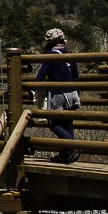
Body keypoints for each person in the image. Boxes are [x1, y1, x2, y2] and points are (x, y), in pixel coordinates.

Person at [35, 28, 80, 163]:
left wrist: (35, 86)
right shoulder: (68, 54)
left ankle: (73, 146)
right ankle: (65, 155)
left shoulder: (51, 55)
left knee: (53, 124)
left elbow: (43, 72)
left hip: (59, 94)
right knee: (67, 124)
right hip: (72, 93)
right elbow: (76, 76)